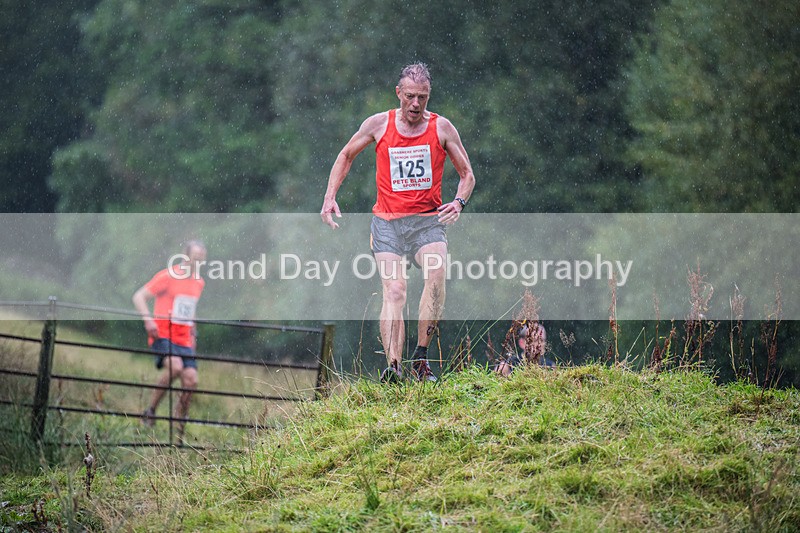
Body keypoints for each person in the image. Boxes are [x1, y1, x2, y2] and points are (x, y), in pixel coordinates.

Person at [320, 62, 476, 383]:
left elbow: (467, 175)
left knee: (437, 274)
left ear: (429, 95)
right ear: (398, 93)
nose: (416, 104)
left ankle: (421, 358)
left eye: (422, 97)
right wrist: (329, 197)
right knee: (394, 290)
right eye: (410, 97)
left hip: (427, 222)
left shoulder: (442, 128)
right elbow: (346, 155)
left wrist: (459, 202)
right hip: (387, 224)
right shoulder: (379, 124)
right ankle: (393, 367)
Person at [133, 240, 206, 440]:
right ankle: (150, 411)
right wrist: (148, 321)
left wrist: (193, 334)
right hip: (162, 334)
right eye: (195, 258)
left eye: (201, 259)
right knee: (176, 366)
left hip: (184, 339)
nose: (197, 262)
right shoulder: (168, 276)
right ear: (185, 256)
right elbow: (139, 296)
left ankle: (178, 423)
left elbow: (190, 310)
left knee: (191, 380)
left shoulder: (199, 282)